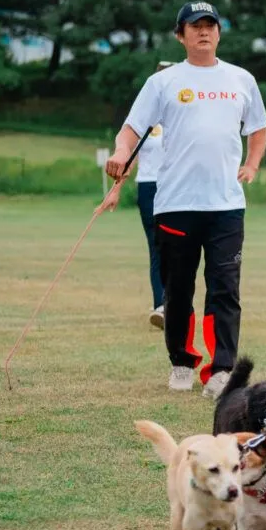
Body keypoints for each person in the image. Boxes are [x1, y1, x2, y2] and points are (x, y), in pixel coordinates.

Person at [106, 1, 266, 397]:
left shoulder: (241, 79)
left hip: (226, 206)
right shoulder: (163, 82)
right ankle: (182, 362)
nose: (204, 31)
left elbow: (259, 128)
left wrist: (252, 164)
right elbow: (131, 129)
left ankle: (221, 370)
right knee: (178, 290)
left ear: (219, 32)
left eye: (210, 25)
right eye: (195, 26)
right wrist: (120, 153)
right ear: (180, 35)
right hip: (175, 203)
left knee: (224, 290)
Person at [95, 62, 172, 330]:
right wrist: (115, 190)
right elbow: (130, 155)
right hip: (149, 187)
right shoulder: (146, 119)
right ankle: (161, 306)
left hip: (178, 187)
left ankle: (178, 304)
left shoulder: (183, 114)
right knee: (157, 246)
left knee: (180, 249)